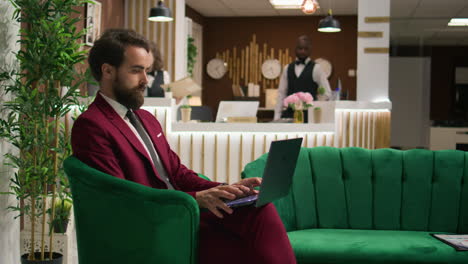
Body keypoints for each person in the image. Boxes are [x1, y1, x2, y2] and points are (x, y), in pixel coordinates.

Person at [71, 28, 296, 264]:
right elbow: (121, 198)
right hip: (157, 223)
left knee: (258, 208)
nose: (145, 80)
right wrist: (194, 199)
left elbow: (177, 173)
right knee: (254, 228)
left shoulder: (146, 118)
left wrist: (228, 189)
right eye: (136, 70)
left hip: (182, 210)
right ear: (107, 70)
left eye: (147, 71)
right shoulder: (92, 125)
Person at [274, 35, 332, 120]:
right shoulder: (287, 68)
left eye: (306, 49)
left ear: (310, 50)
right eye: (300, 48)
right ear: (295, 49)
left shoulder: (317, 68)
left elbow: (327, 93)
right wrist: (276, 116)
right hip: (290, 116)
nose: (302, 51)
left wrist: (316, 106)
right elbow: (281, 93)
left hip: (309, 117)